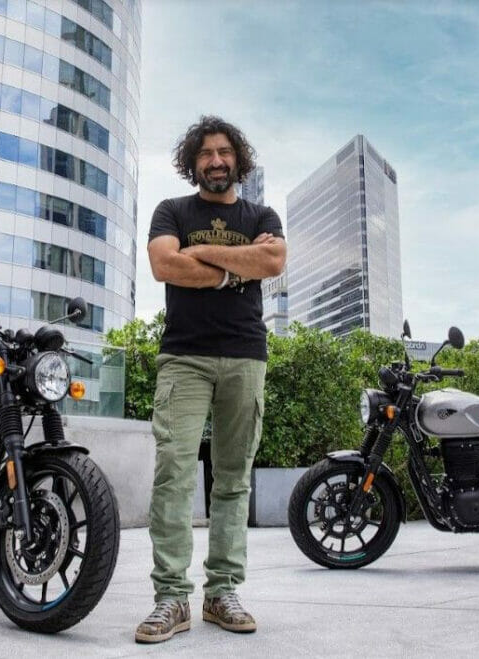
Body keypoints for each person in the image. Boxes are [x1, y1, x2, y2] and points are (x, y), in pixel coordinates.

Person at [134, 116, 287, 643]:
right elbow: (163, 266)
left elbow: (274, 258)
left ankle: (221, 591)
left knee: (233, 479)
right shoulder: (171, 210)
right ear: (192, 162)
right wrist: (236, 269)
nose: (216, 161)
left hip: (246, 357)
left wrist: (201, 255)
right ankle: (171, 599)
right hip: (184, 358)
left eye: (225, 152)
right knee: (173, 474)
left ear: (238, 159)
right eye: (206, 154)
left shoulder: (261, 212)